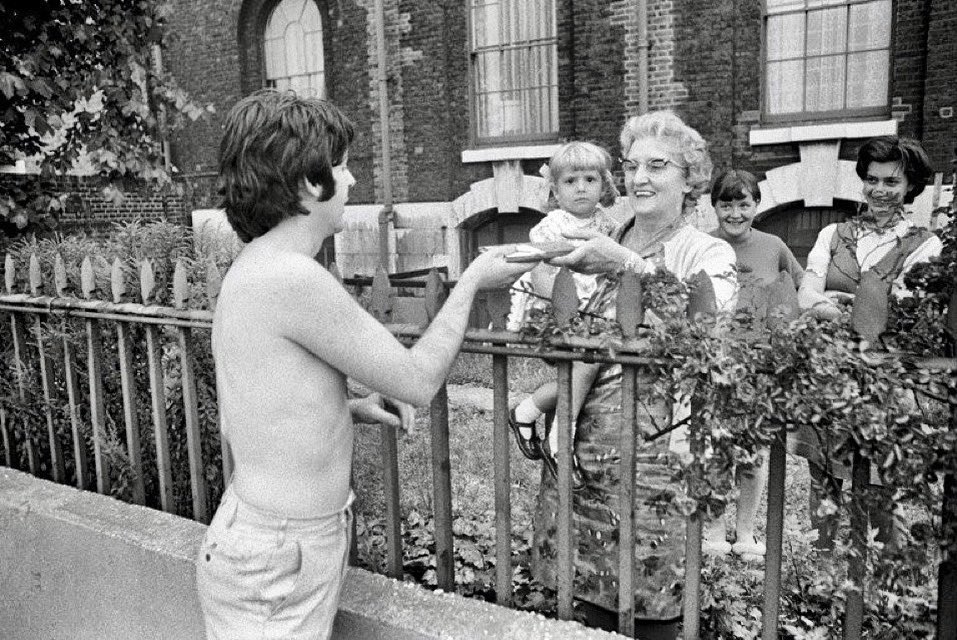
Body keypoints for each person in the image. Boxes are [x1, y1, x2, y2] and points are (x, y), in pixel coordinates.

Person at [195, 90, 534, 640]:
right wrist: (471, 280)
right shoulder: (292, 278)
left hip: (268, 543)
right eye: (343, 166)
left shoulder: (255, 268)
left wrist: (347, 407)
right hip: (278, 555)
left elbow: (249, 416)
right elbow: (419, 380)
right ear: (309, 181)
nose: (351, 181)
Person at [532, 110, 737, 639]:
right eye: (631, 165)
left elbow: (708, 334)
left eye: (657, 166)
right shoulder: (597, 233)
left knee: (650, 604)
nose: (639, 178)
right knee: (575, 600)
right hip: (582, 444)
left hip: (656, 453)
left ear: (690, 178)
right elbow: (565, 330)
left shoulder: (707, 250)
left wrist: (624, 263)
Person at [795, 135, 942, 550]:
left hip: (883, 376)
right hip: (830, 372)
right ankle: (822, 563)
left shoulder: (923, 243)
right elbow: (806, 295)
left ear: (909, 185)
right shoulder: (833, 233)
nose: (880, 190)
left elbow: (899, 312)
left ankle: (873, 568)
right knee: (823, 472)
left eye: (891, 182)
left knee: (878, 480)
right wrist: (837, 308)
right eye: (872, 179)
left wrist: (838, 304)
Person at [506, 141, 620, 489]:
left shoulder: (610, 225)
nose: (582, 187)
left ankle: (526, 412)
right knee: (583, 368)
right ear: (555, 189)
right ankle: (558, 441)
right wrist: (564, 317)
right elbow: (543, 276)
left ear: (605, 184)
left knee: (591, 375)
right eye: (571, 181)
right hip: (559, 314)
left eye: (590, 179)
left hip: (599, 315)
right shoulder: (552, 226)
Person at [703, 168, 803, 559]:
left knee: (753, 452)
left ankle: (745, 532)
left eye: (743, 203)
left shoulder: (774, 246)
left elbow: (797, 290)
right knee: (715, 448)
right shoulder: (704, 245)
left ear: (756, 205)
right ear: (714, 207)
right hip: (713, 364)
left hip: (761, 367)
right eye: (726, 204)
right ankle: (712, 529)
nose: (734, 212)